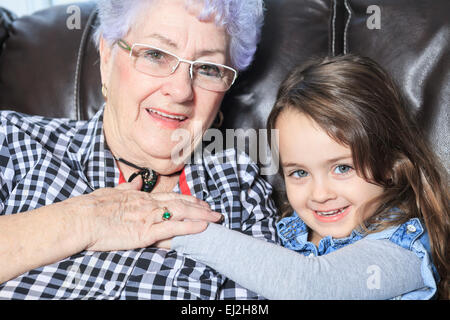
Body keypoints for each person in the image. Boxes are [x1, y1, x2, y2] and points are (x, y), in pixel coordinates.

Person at [0, 0, 279, 299]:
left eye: (208, 69)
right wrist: (83, 219)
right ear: (107, 56)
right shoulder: (13, 141)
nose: (182, 91)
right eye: (156, 55)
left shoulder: (237, 189)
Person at [165, 55, 450, 299]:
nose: (319, 194)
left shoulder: (404, 248)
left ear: (389, 162)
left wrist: (176, 231)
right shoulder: (287, 231)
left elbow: (312, 286)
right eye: (299, 172)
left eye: (342, 168)